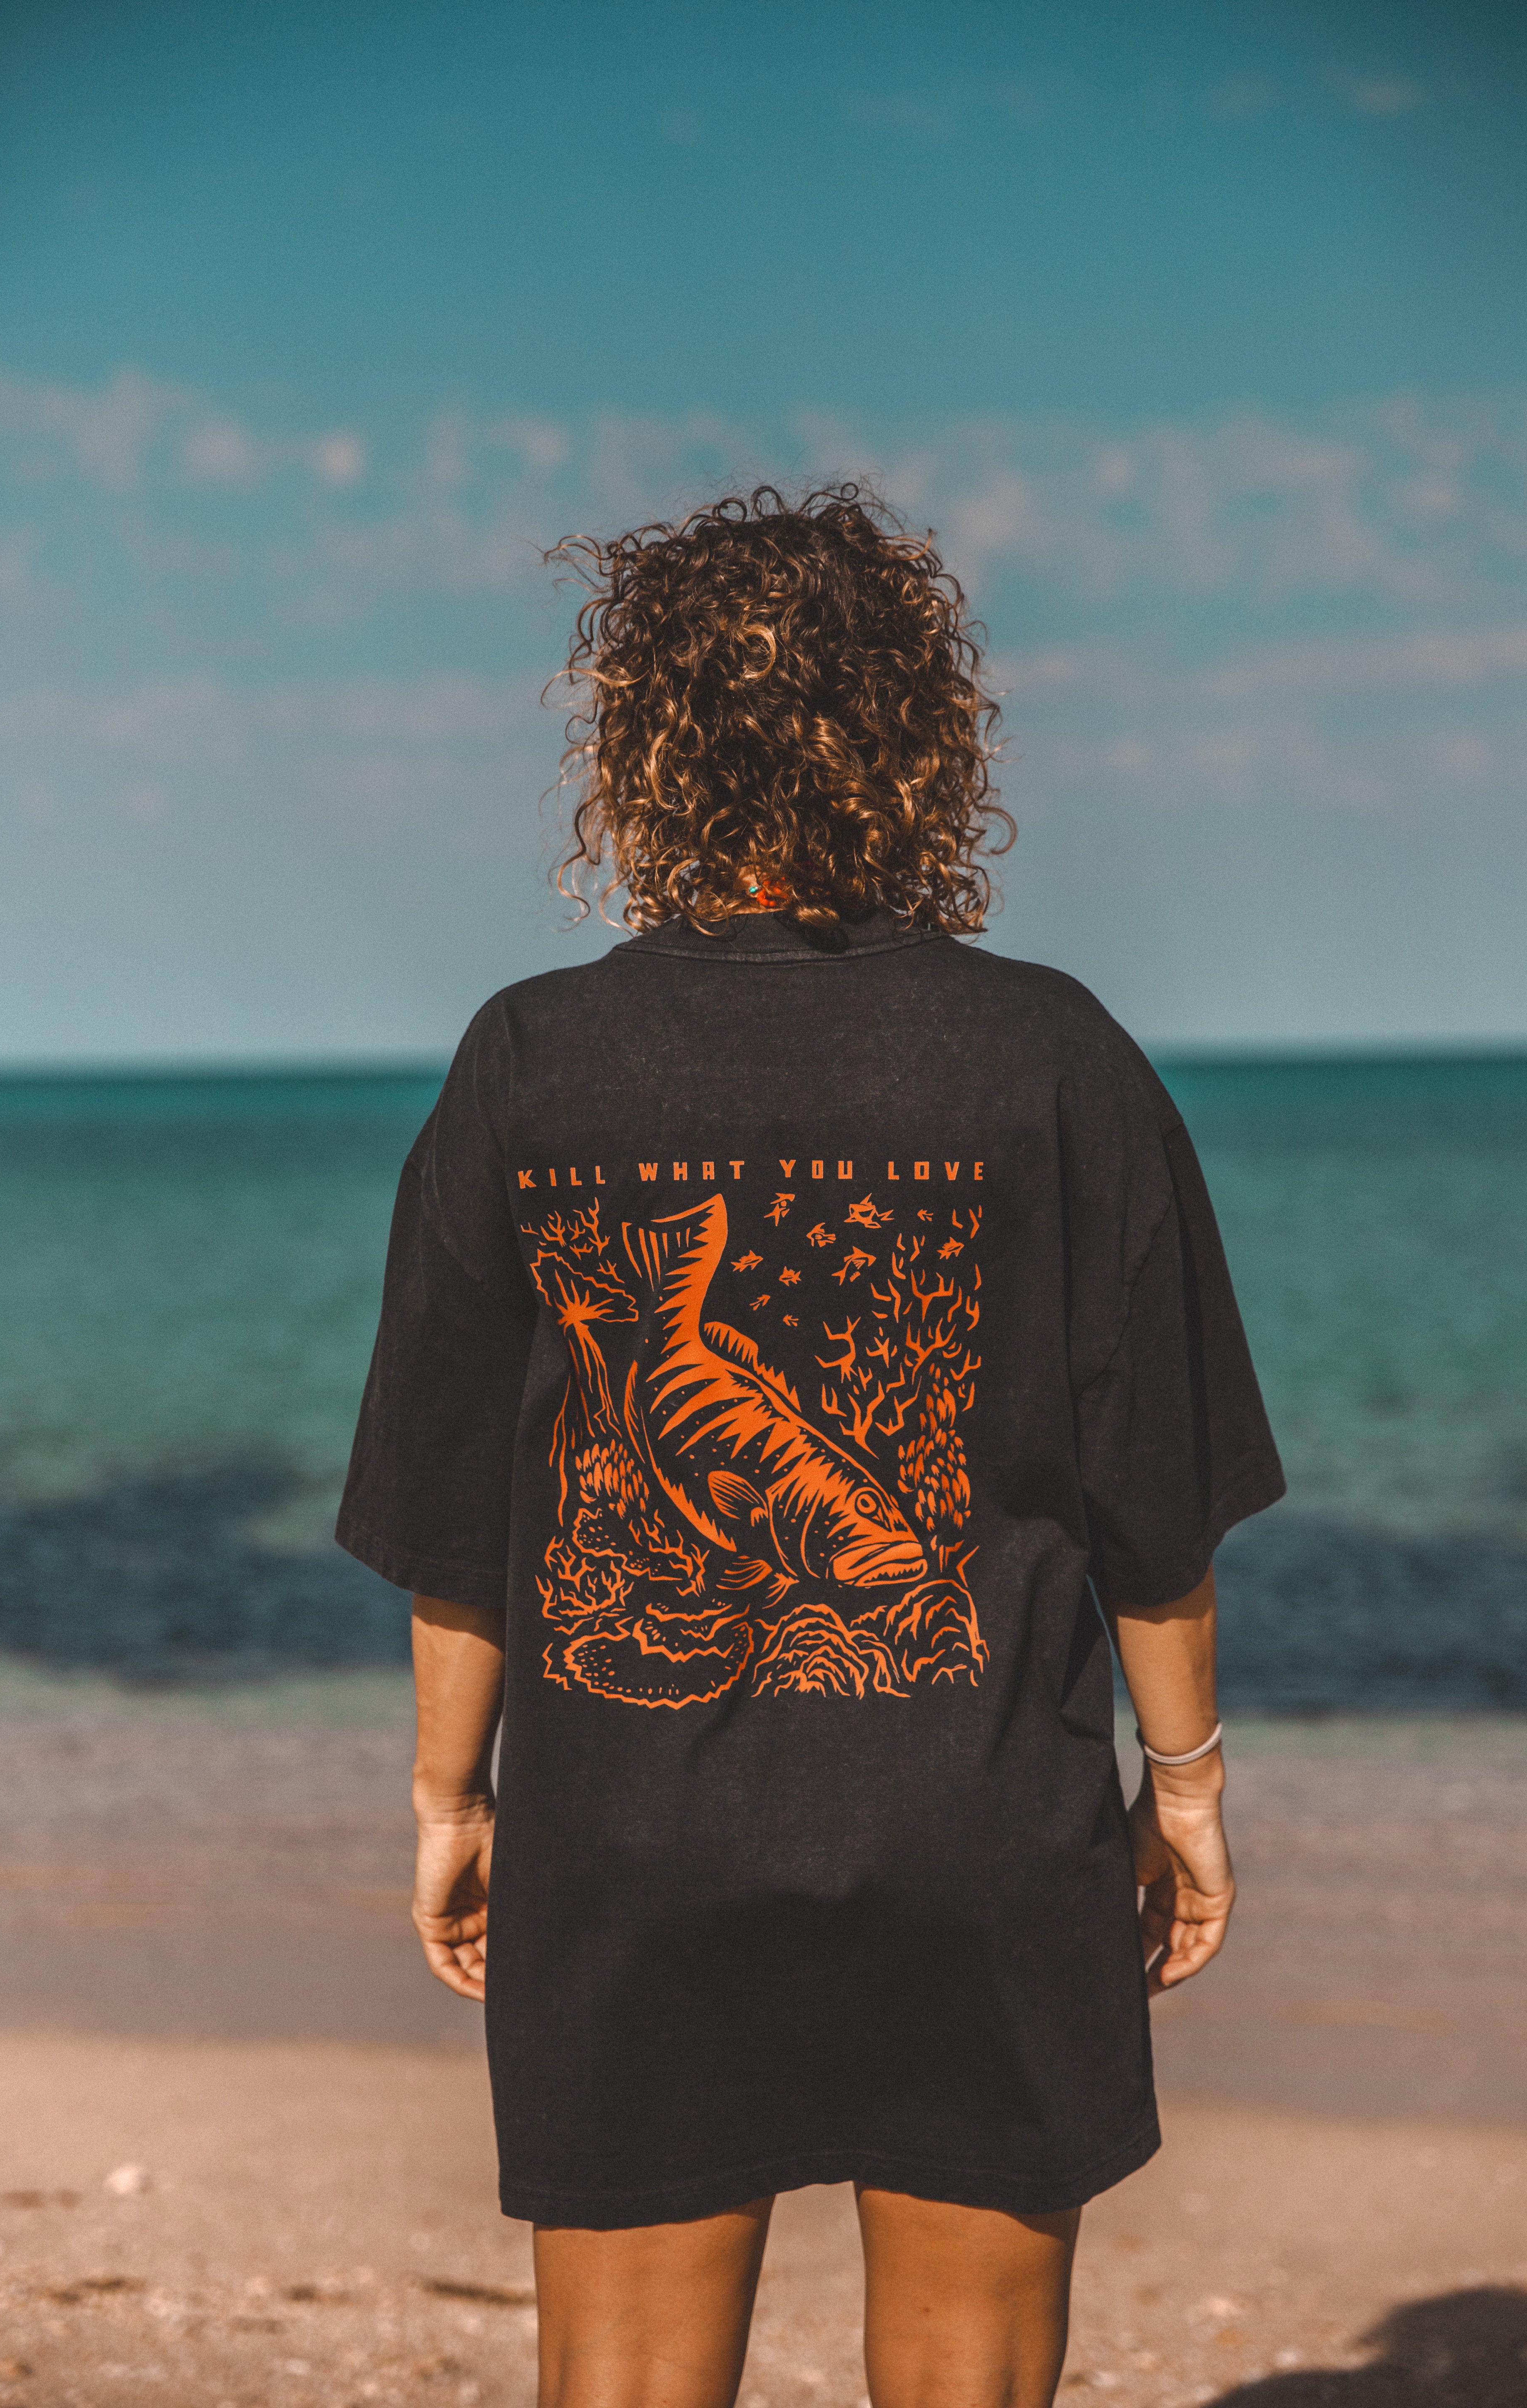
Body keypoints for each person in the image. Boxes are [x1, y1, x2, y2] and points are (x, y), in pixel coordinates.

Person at [337, 485, 1285, 2408]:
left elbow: (457, 1514)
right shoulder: (1054, 1052)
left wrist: (452, 1797)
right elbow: (1154, 1498)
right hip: (982, 1826)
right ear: (916, 742)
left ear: (644, 747)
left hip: (630, 1843)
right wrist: (1182, 1785)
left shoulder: (531, 1058)